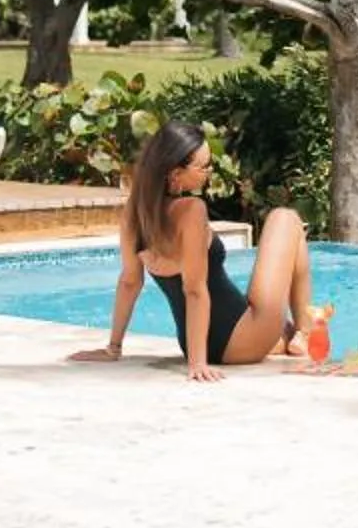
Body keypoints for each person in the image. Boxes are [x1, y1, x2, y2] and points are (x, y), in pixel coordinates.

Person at [67, 122, 313, 384]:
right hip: (241, 335)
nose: (209, 172)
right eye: (203, 166)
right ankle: (305, 332)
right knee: (286, 218)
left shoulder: (135, 214)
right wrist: (198, 365)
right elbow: (194, 290)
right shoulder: (191, 211)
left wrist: (113, 348)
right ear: (175, 173)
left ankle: (290, 334)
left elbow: (129, 282)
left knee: (276, 325)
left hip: (194, 342)